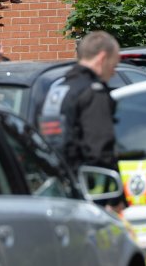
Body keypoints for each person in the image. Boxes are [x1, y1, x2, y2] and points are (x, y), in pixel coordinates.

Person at [39, 31, 124, 211]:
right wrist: (115, 199)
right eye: (114, 64)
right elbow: (101, 148)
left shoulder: (59, 89)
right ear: (102, 58)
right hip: (87, 195)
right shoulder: (93, 92)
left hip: (56, 188)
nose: (114, 71)